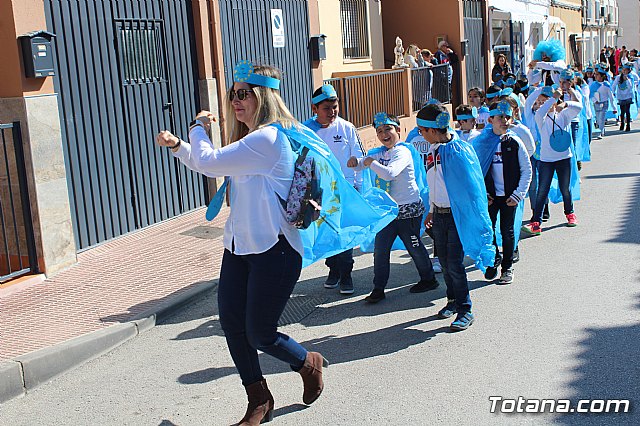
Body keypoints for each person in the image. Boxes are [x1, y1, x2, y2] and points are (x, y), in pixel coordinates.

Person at [156, 62, 328, 425]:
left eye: (243, 93)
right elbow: (213, 162)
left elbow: (210, 162)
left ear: (262, 97)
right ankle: (259, 400)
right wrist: (179, 146)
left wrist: (197, 128)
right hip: (238, 249)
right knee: (233, 326)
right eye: (232, 94)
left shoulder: (267, 138)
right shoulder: (251, 141)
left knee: (260, 333)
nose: (235, 100)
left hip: (275, 251)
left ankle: (307, 362)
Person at [417, 103, 495, 330]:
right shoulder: (434, 149)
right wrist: (431, 208)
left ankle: (465, 308)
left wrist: (472, 216)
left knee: (454, 264)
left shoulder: (459, 150)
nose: (421, 134)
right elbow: (436, 183)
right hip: (439, 215)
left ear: (432, 130)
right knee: (443, 262)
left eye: (422, 130)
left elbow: (471, 187)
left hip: (456, 217)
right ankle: (452, 300)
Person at [348, 112, 438, 303]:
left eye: (387, 129)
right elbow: (361, 164)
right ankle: (378, 289)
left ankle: (429, 279)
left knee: (414, 247)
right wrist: (354, 163)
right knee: (381, 251)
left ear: (398, 130)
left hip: (408, 210)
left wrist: (370, 162)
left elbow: (390, 174)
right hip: (388, 212)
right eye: (379, 131)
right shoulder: (379, 152)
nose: (383, 134)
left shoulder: (402, 152)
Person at [303, 84, 364, 294]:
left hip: (344, 190)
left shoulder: (347, 128)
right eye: (326, 108)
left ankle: (346, 274)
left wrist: (358, 179)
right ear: (314, 108)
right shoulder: (305, 130)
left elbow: (359, 156)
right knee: (326, 233)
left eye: (335, 107)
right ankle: (333, 269)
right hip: (318, 192)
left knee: (344, 233)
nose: (332, 112)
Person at [474, 101, 532, 284]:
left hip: (509, 197)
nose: (505, 121)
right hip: (490, 198)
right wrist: (484, 194)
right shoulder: (481, 142)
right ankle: (492, 262)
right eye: (500, 117)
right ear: (491, 119)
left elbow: (527, 170)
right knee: (487, 231)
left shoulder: (514, 142)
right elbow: (474, 172)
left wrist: (518, 194)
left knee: (507, 232)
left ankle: (507, 267)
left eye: (508, 117)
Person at [522, 85, 582, 236]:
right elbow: (541, 110)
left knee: (565, 189)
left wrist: (565, 103)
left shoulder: (562, 116)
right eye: (540, 102)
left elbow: (579, 107)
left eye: (545, 101)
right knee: (542, 190)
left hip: (564, 158)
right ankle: (536, 223)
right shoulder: (539, 118)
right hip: (546, 160)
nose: (542, 104)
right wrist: (553, 98)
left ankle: (570, 213)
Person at [589, 66, 617, 138]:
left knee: (601, 118)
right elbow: (591, 95)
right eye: (595, 74)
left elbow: (611, 97)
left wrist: (614, 108)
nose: (595, 76)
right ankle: (602, 129)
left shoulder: (606, 85)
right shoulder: (594, 85)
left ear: (602, 76)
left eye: (597, 74)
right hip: (596, 104)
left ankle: (599, 132)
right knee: (598, 118)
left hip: (604, 103)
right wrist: (595, 101)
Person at [612, 63, 635, 132]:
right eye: (623, 70)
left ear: (628, 71)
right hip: (621, 96)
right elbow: (614, 85)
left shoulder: (630, 77)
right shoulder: (618, 77)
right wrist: (612, 92)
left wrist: (627, 80)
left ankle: (628, 125)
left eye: (626, 70)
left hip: (628, 96)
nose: (624, 71)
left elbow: (631, 87)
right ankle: (622, 123)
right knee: (622, 111)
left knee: (627, 111)